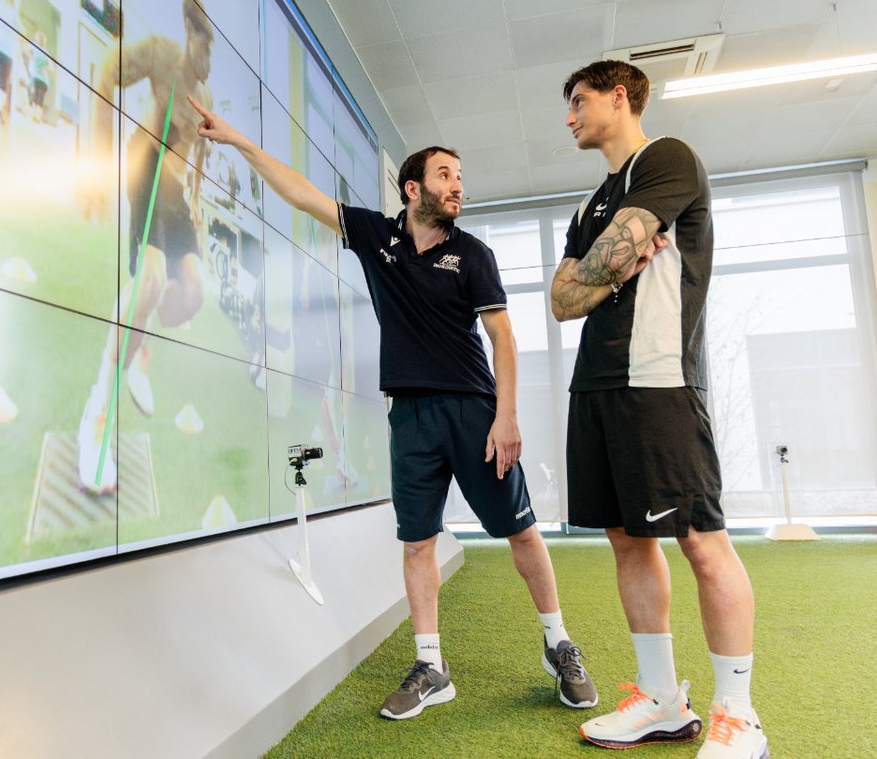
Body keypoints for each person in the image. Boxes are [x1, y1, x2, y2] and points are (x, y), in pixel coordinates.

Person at [189, 96, 598, 721]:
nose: (458, 186)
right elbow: (301, 194)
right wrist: (239, 142)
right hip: (408, 417)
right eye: (445, 176)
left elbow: (504, 338)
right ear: (413, 188)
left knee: (520, 530)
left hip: (473, 411)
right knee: (416, 542)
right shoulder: (378, 236)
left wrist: (506, 416)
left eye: (461, 178)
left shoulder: (474, 255)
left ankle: (558, 643)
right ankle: (432, 665)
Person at [550, 60, 768, 759]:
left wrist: (599, 271)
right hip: (596, 384)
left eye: (579, 101)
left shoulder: (665, 158)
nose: (570, 117)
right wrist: (609, 265)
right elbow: (562, 297)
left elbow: (591, 275)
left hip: (658, 381)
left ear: (620, 97)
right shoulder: (591, 207)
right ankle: (661, 701)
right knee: (626, 539)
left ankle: (738, 715)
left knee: (701, 540)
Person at [76, 0, 215, 493]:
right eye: (202, 46)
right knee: (151, 276)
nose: (206, 61)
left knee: (193, 293)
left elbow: (198, 159)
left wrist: (196, 199)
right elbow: (105, 73)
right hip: (145, 168)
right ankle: (96, 415)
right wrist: (95, 161)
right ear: (187, 36)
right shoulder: (159, 53)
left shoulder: (207, 100)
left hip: (175, 193)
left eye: (212, 52)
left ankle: (141, 340)